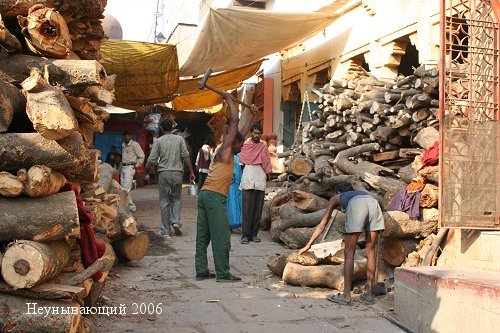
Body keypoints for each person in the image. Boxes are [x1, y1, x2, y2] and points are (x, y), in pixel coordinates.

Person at [195, 93, 258, 283]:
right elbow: (234, 122)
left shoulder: (225, 150)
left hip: (205, 194)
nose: (241, 147)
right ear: (235, 143)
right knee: (222, 236)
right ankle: (223, 274)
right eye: (240, 144)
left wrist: (252, 115)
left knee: (203, 236)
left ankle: (201, 270)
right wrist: (229, 99)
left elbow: (241, 133)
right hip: (215, 197)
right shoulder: (227, 148)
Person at [298, 184, 385, 305]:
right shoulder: (362, 194)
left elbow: (322, 225)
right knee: (371, 251)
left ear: (337, 192)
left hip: (358, 205)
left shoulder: (336, 198)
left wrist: (308, 245)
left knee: (349, 252)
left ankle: (346, 296)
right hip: (373, 203)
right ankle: (369, 294)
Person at [144, 119, 195, 238]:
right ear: (172, 128)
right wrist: (192, 171)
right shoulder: (180, 139)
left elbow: (152, 159)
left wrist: (145, 170)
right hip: (178, 173)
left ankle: (165, 231)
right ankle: (176, 221)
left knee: (164, 201)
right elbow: (186, 156)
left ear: (161, 128)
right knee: (176, 198)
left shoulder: (159, 141)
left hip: (164, 174)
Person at [239, 123, 272, 244]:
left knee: (258, 208)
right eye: (255, 133)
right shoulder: (246, 146)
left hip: (260, 176)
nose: (257, 135)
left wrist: (267, 174)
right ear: (251, 133)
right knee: (247, 208)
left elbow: (267, 162)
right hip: (248, 175)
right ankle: (245, 235)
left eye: (259, 133)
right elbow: (242, 163)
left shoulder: (263, 146)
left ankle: (254, 234)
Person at [121, 130, 145, 213]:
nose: (127, 137)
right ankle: (131, 207)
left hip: (130, 167)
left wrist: (137, 165)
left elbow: (142, 156)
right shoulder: (123, 144)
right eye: (125, 136)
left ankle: (128, 206)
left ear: (131, 136)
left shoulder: (135, 144)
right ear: (124, 137)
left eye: (128, 136)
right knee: (123, 189)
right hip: (123, 167)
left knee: (125, 189)